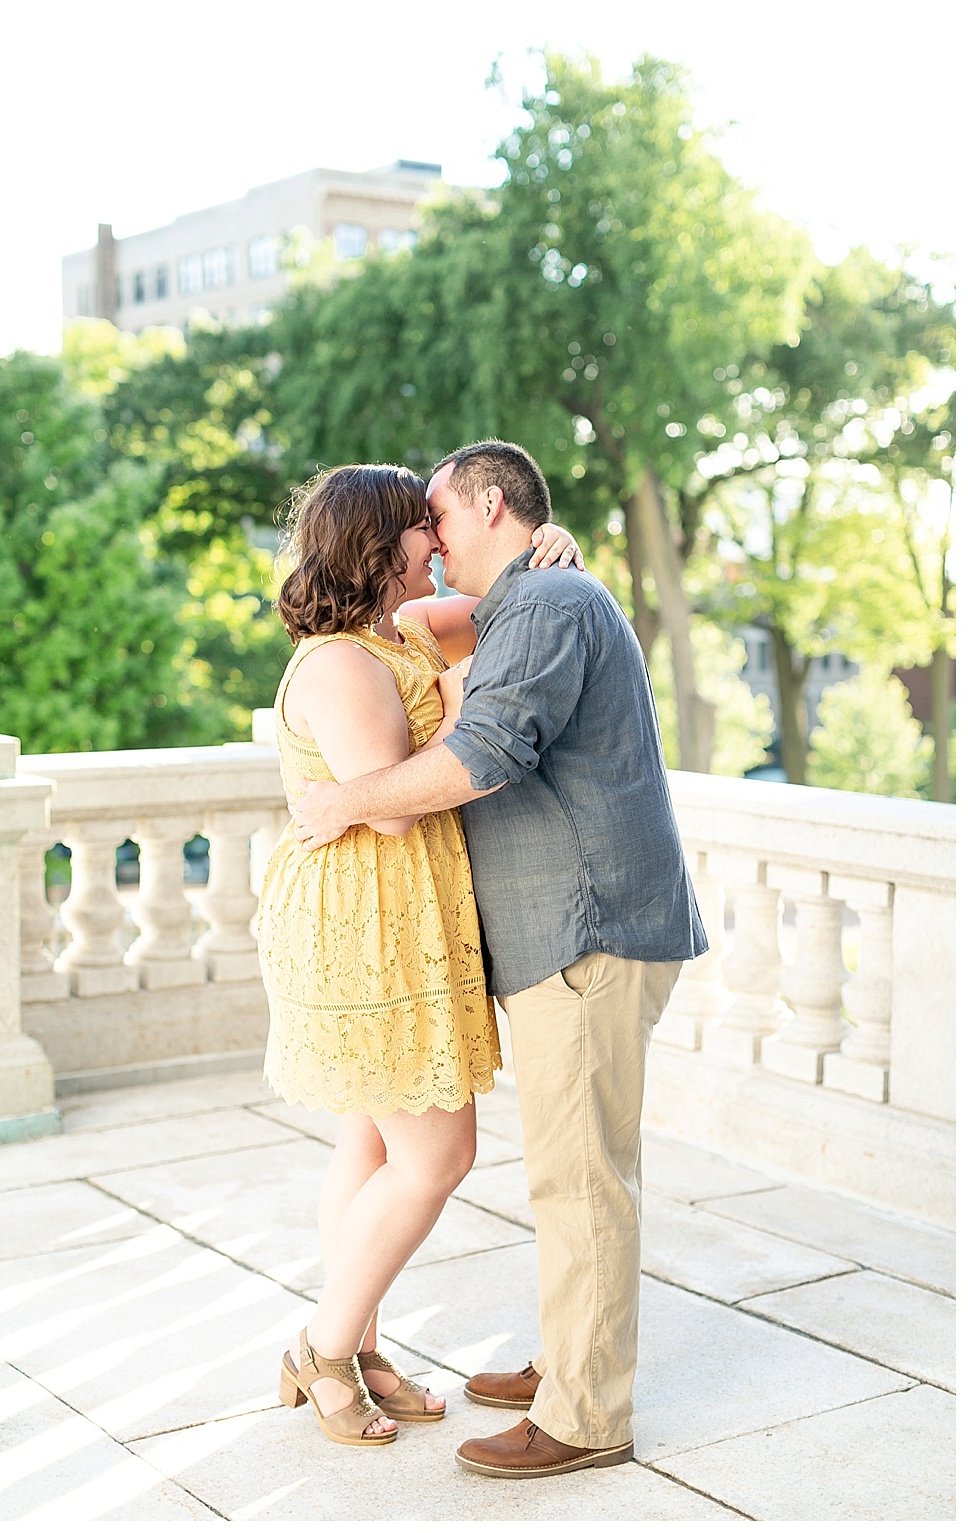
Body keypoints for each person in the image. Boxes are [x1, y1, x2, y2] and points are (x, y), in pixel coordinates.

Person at [293, 438, 706, 1479]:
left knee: (578, 1183)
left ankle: (581, 1414)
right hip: (552, 932)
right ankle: (568, 1359)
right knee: (562, 1172)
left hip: (586, 929)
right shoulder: (527, 602)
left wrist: (342, 801)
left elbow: (486, 753)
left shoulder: (550, 606)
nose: (431, 538)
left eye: (440, 515)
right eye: (415, 526)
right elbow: (421, 643)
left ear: (486, 504)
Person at [259, 464, 584, 1448]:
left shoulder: (391, 632)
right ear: (377, 544)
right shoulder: (338, 666)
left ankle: (356, 1346)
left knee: (370, 1139)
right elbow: (392, 814)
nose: (433, 543)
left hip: (401, 920)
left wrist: (549, 551)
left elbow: (495, 609)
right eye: (417, 530)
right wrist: (451, 701)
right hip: (366, 922)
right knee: (436, 1153)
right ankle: (318, 1348)